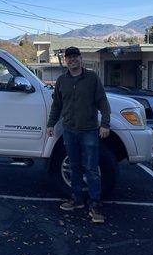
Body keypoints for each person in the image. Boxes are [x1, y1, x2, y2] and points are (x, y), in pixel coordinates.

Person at [46, 46, 110, 223]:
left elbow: (102, 102)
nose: (72, 60)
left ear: (81, 59)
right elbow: (56, 105)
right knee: (74, 167)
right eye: (69, 57)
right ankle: (77, 199)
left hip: (89, 130)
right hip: (69, 130)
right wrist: (51, 124)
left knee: (91, 168)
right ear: (65, 60)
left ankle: (95, 204)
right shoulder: (61, 81)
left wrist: (105, 124)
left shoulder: (92, 78)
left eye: (75, 57)